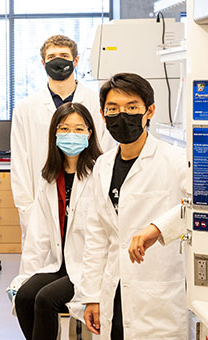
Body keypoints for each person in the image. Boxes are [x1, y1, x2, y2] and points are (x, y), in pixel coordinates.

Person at [80, 73, 187, 340]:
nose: (122, 115)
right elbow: (96, 236)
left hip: (157, 293)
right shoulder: (102, 166)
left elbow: (202, 205)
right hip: (112, 290)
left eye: (132, 107)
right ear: (103, 116)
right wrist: (91, 295)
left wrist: (158, 228)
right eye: (113, 109)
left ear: (149, 111)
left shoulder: (174, 160)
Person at [7, 102, 101, 340]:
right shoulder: (49, 177)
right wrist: (25, 276)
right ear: (54, 134)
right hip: (57, 263)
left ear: (90, 133)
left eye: (79, 129)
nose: (72, 135)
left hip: (86, 266)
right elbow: (37, 235)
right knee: (25, 296)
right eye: (65, 128)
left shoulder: (100, 172)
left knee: (46, 299)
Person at [10, 34, 114, 242]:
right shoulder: (26, 108)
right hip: (42, 203)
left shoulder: (96, 104)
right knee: (43, 269)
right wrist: (28, 212)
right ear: (43, 63)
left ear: (76, 61)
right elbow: (20, 164)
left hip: (88, 199)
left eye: (64, 55)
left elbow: (108, 155)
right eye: (52, 57)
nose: (58, 60)